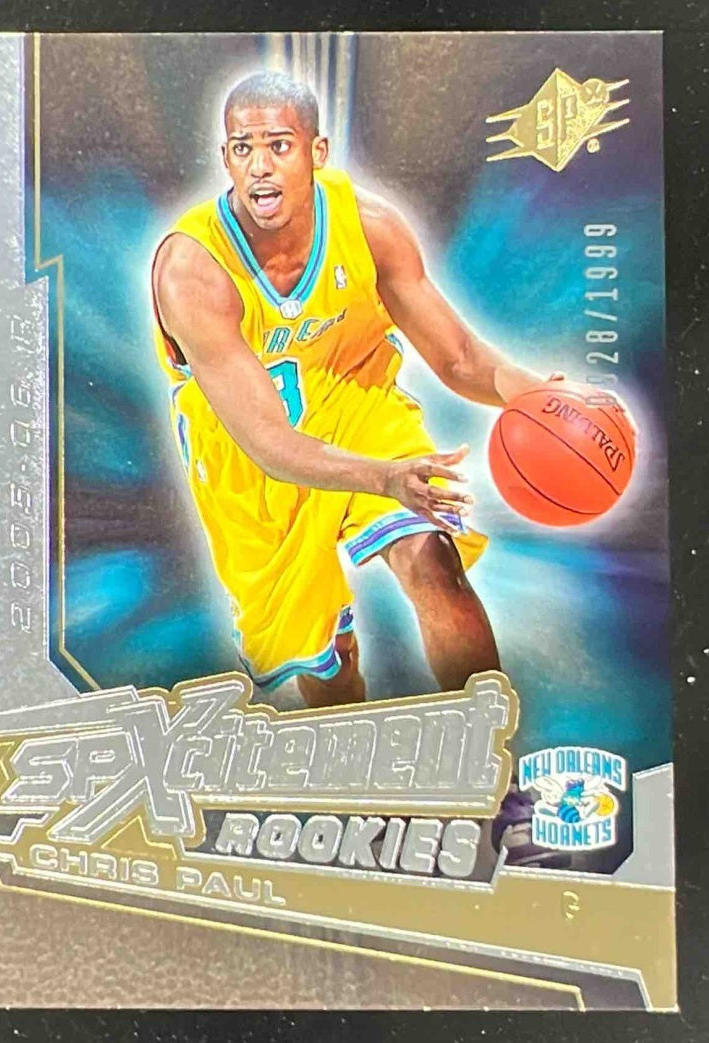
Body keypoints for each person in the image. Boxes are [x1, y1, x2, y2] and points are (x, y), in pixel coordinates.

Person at [151, 71, 545, 708]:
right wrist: (386, 478)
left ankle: (488, 740)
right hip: (249, 463)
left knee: (431, 558)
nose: (259, 166)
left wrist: (537, 395)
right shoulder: (193, 269)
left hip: (357, 402)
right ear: (225, 157)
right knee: (329, 663)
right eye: (243, 148)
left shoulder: (369, 228)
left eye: (278, 145)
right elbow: (270, 443)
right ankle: (356, 755)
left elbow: (460, 358)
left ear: (317, 152)